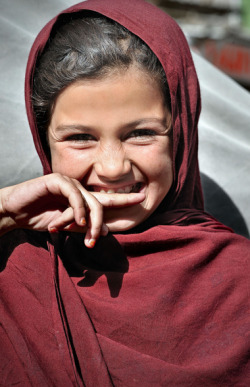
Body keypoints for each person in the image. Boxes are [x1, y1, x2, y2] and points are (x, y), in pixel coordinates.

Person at [0, 0, 249, 385]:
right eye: (80, 138)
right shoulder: (15, 260)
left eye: (142, 133)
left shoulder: (238, 280)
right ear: (43, 140)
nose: (113, 167)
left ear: (180, 132)